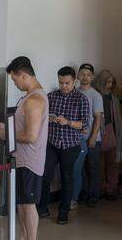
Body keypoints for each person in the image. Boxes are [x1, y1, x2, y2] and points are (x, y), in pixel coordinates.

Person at [0, 56, 47, 240]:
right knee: (21, 203)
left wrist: (6, 135)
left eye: (15, 79)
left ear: (24, 75)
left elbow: (31, 136)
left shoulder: (35, 100)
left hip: (30, 160)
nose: (15, 83)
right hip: (21, 159)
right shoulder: (30, 96)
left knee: (28, 204)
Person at [38, 66, 90, 226]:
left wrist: (67, 122)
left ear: (74, 81)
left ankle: (63, 212)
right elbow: (42, 116)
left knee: (66, 178)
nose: (63, 86)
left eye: (67, 83)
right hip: (52, 143)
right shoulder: (51, 96)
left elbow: (85, 124)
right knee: (45, 175)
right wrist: (49, 119)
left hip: (71, 144)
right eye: (60, 82)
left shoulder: (81, 99)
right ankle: (43, 208)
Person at [76, 64, 104, 207]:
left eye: (88, 74)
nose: (85, 77)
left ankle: (93, 195)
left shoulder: (95, 95)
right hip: (77, 138)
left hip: (93, 138)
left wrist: (93, 137)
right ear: (78, 75)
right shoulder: (74, 92)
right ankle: (83, 193)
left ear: (92, 77)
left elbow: (98, 118)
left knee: (92, 167)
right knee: (79, 167)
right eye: (82, 74)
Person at [95, 69, 122, 199]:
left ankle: (111, 188)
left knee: (113, 162)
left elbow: (117, 117)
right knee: (99, 164)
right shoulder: (96, 95)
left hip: (112, 131)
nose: (110, 85)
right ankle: (100, 188)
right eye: (108, 82)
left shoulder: (114, 97)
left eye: (112, 82)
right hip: (99, 131)